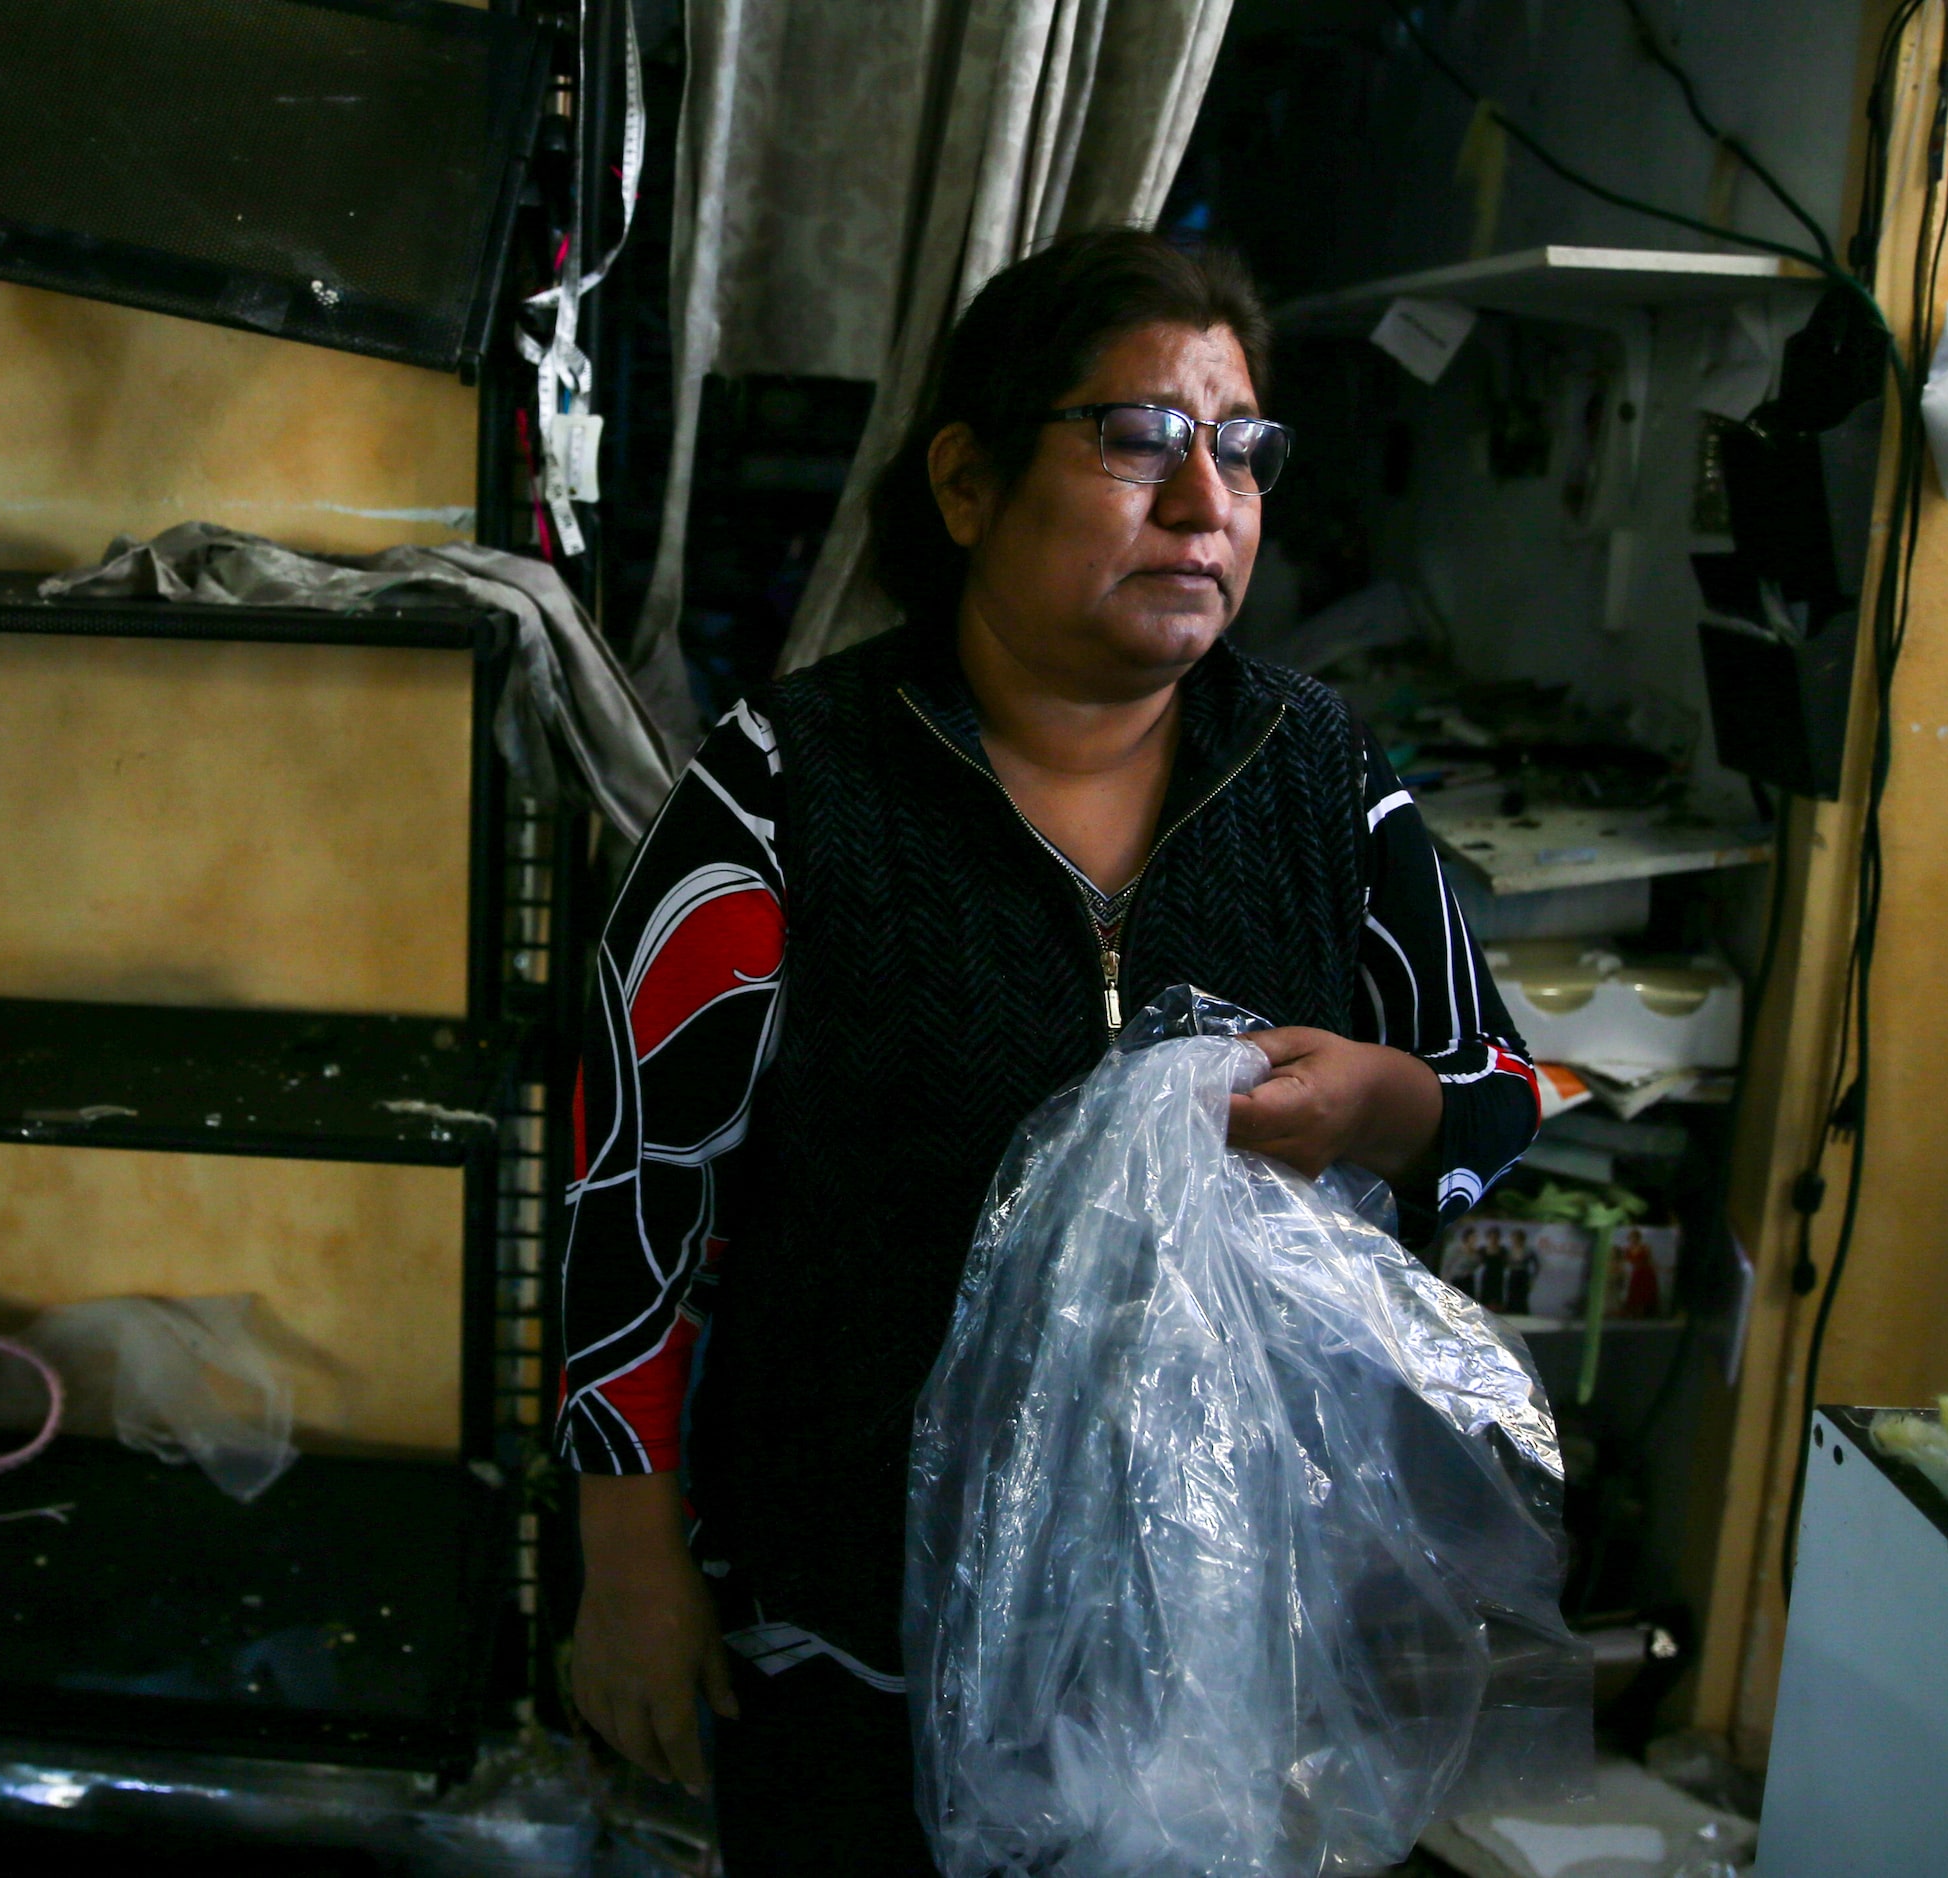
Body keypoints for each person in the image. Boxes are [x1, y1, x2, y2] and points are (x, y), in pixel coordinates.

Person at [558, 231, 1541, 1873]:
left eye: (1240, 448)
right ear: (964, 483)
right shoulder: (788, 785)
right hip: (844, 1621)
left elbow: (1497, 1099)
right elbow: (629, 1183)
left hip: (1214, 1640)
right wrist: (628, 1556)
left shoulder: (1315, 776)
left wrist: (1391, 1105)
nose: (1202, 498)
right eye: (1137, 437)